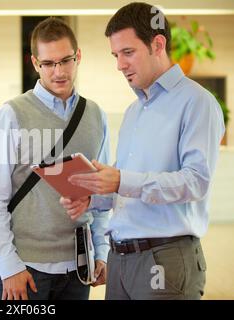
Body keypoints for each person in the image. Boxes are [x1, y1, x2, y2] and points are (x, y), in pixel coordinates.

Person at [60, 2, 225, 300]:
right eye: (115, 55)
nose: (120, 65)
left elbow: (196, 182)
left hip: (164, 257)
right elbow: (127, 188)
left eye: (128, 52)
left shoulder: (197, 103)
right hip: (121, 259)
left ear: (157, 44)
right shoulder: (133, 112)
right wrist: (93, 198)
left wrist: (121, 179)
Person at [0, 17, 111, 300]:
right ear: (35, 63)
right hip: (25, 268)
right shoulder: (10, 115)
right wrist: (9, 265)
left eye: (66, 60)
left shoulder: (96, 116)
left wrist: (102, 252)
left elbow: (100, 193)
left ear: (79, 57)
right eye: (48, 63)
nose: (58, 71)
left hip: (78, 267)